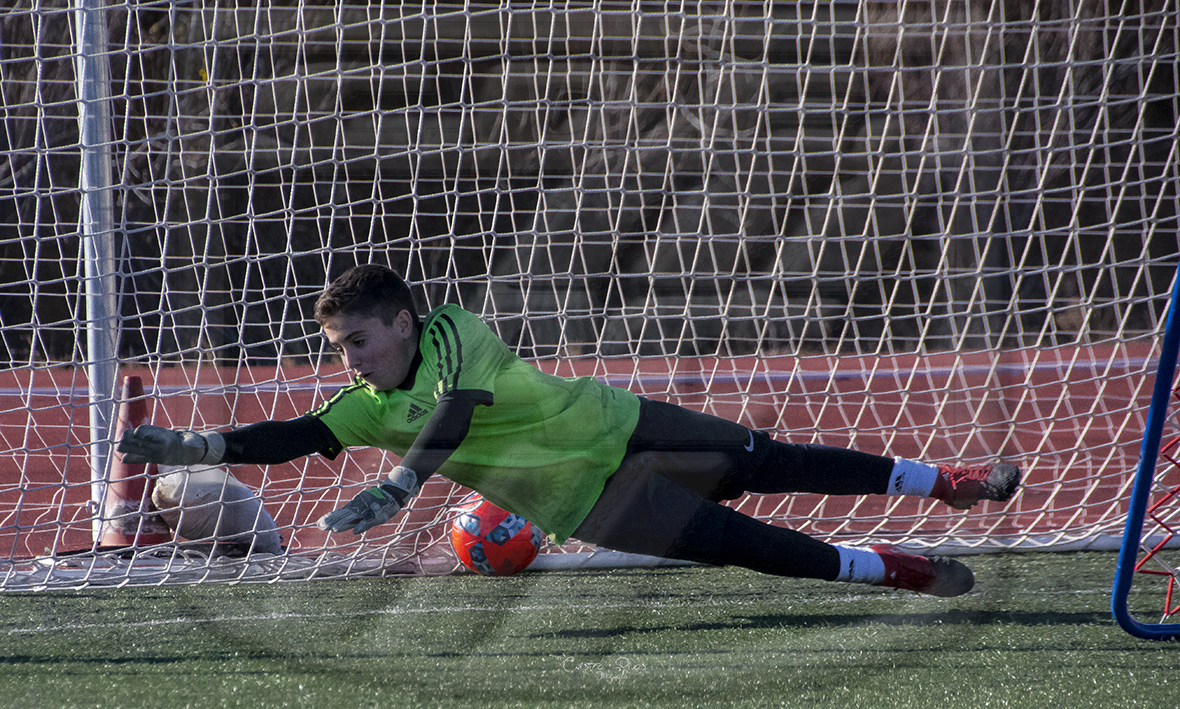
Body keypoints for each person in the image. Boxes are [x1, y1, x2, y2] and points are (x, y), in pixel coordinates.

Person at [118, 263, 1021, 596]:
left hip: (622, 427)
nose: (350, 360)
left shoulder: (455, 331)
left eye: (357, 341)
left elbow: (456, 412)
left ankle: (947, 482)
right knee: (753, 546)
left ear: (401, 321)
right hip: (589, 501)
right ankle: (896, 569)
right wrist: (206, 447)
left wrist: (400, 481)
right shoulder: (364, 405)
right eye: (338, 348)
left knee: (772, 461)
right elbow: (291, 435)